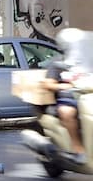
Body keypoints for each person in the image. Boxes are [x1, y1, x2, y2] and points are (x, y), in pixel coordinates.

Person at [43, 28, 87, 163]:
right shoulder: (57, 64)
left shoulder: (86, 63)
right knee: (67, 112)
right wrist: (65, 86)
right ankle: (78, 150)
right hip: (67, 100)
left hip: (86, 97)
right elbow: (48, 84)